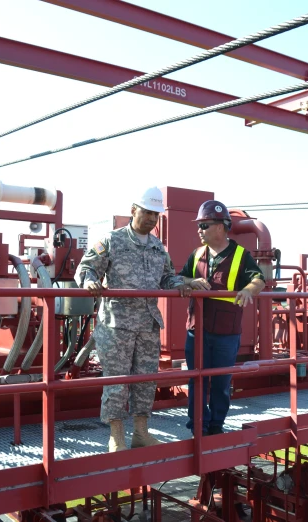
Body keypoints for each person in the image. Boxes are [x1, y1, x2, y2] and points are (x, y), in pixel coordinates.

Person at [76, 186, 188, 452]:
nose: (151, 219)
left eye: (156, 215)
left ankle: (140, 433)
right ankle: (116, 437)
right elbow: (86, 267)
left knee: (146, 381)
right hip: (117, 326)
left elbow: (166, 278)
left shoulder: (158, 247)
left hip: (148, 325)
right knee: (116, 382)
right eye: (147, 212)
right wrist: (90, 280)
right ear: (133, 210)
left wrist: (185, 283)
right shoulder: (112, 240)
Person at [179, 200, 266, 436]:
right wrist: (189, 282)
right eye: (199, 225)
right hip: (196, 330)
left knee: (220, 383)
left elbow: (259, 279)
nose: (199, 230)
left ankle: (216, 426)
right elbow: (179, 279)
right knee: (197, 380)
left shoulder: (240, 255)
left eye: (204, 225)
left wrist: (249, 289)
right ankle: (198, 426)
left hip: (226, 333)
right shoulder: (196, 255)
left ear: (220, 226)